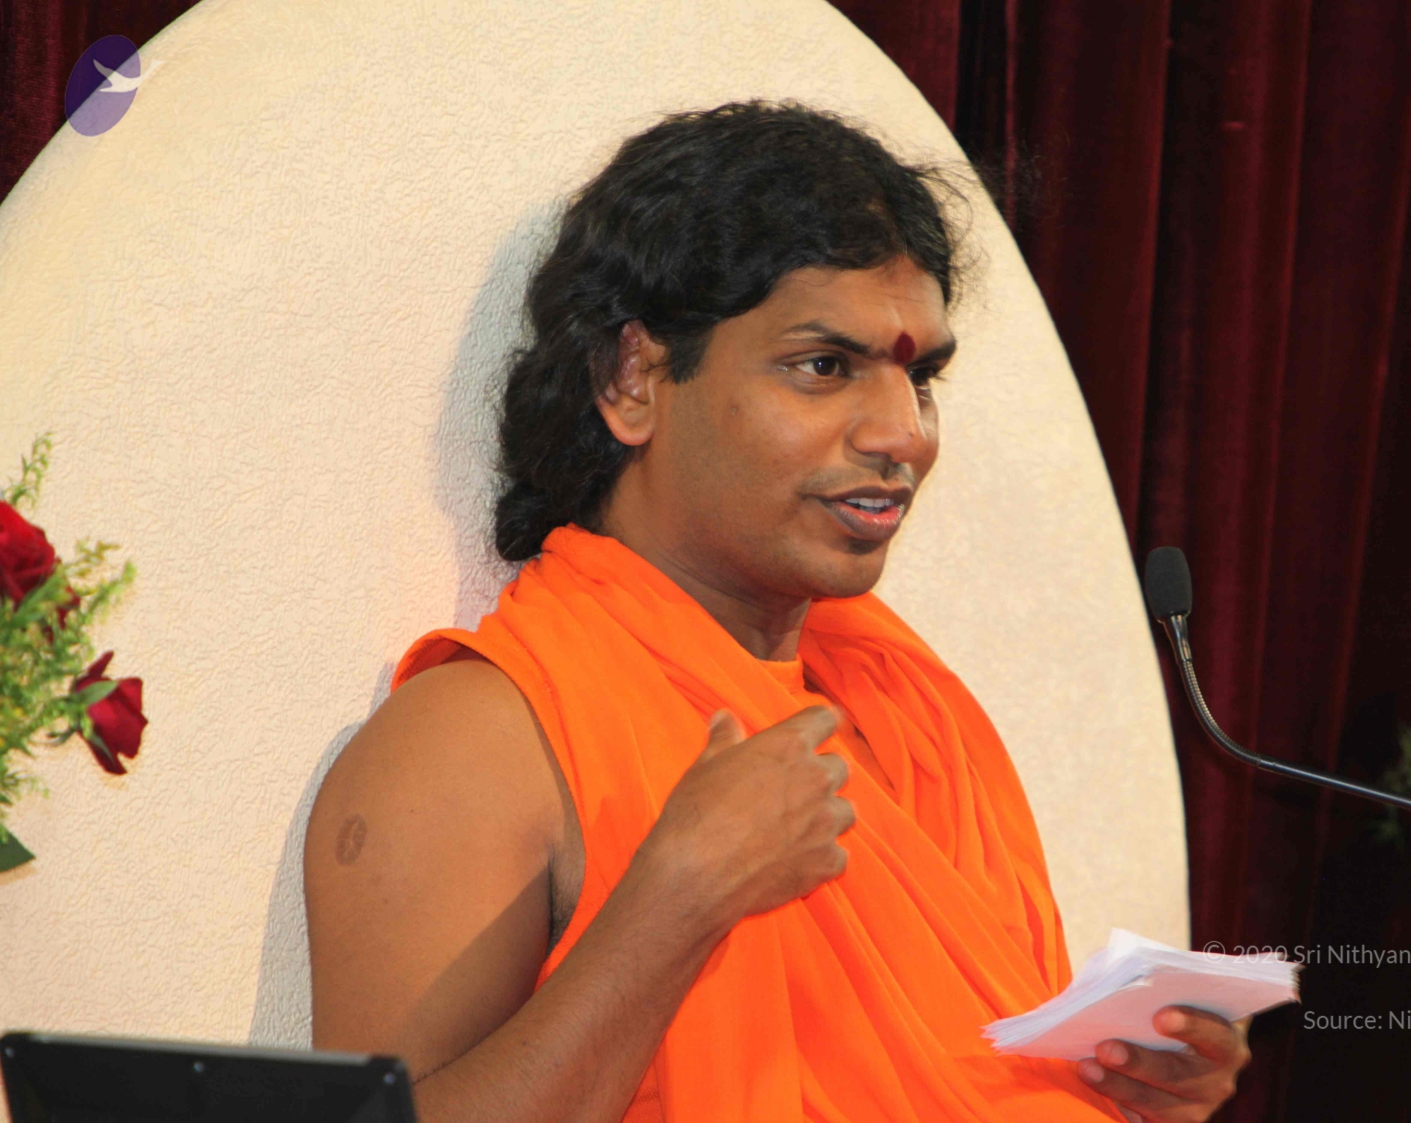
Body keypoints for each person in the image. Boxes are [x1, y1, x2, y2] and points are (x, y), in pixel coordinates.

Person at [303, 100, 1250, 1123]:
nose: (902, 433)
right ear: (632, 378)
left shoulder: (908, 713)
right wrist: (675, 904)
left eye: (918, 375)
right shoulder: (477, 738)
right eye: (823, 367)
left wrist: (1118, 1088)